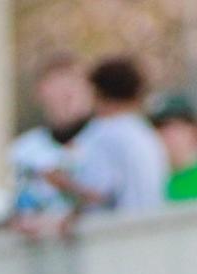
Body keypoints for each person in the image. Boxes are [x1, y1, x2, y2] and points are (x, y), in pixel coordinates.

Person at [52, 57, 168, 216]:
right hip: (149, 229)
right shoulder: (146, 134)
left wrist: (60, 181)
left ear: (97, 92)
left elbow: (97, 192)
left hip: (116, 232)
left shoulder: (105, 134)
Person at [8, 53, 94, 235]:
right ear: (40, 92)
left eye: (73, 82)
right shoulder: (24, 150)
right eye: (56, 85)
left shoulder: (102, 142)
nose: (67, 93)